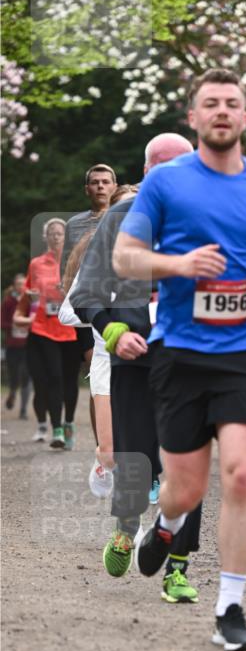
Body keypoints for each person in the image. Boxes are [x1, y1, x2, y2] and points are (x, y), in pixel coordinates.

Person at [112, 69, 246, 651]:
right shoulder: (166, 184)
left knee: (243, 473)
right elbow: (125, 257)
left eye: (232, 103)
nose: (221, 112)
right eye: (209, 104)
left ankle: (230, 606)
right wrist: (178, 266)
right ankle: (166, 525)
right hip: (182, 352)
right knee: (185, 488)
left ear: (245, 117)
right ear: (194, 118)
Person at [71, 135, 203, 604]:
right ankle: (127, 526)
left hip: (191, 357)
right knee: (136, 461)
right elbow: (85, 294)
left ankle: (179, 568)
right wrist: (113, 333)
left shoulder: (210, 217)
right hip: (134, 355)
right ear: (147, 174)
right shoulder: (122, 219)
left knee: (189, 465)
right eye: (163, 170)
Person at [61, 163, 117, 451]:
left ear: (114, 186)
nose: (100, 186)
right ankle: (102, 444)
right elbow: (67, 271)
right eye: (95, 182)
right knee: (99, 374)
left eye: (105, 181)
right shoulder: (76, 225)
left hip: (122, 303)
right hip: (89, 308)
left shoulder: (129, 216)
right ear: (87, 189)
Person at [15, 218, 81, 448]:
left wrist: (68, 290)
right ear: (46, 237)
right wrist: (30, 298)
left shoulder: (75, 261)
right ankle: (57, 430)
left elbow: (87, 289)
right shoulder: (36, 264)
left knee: (69, 380)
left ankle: (69, 422)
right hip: (44, 327)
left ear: (66, 236)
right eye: (51, 233)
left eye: (59, 233)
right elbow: (27, 293)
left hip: (71, 329)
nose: (55, 237)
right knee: (53, 378)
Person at [1, 273, 31, 419]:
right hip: (12, 346)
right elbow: (2, 323)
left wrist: (29, 325)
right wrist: (12, 325)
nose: (21, 287)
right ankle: (13, 391)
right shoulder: (8, 302)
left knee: (26, 375)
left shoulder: (30, 301)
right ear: (14, 286)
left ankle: (23, 409)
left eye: (24, 284)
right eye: (19, 284)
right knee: (14, 377)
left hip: (28, 346)